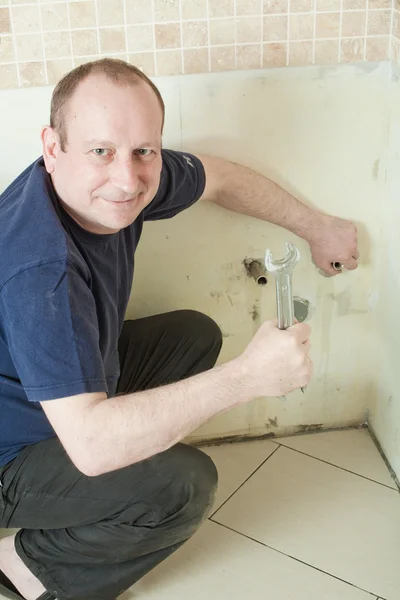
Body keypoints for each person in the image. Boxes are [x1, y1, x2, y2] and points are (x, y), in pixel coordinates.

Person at [0, 58, 358, 600]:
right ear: (54, 147)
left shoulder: (113, 186)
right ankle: (26, 566)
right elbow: (93, 447)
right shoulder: (41, 272)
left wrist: (319, 228)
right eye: (101, 151)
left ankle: (117, 463)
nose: (127, 179)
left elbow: (223, 179)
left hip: (47, 399)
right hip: (11, 455)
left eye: (144, 150)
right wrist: (247, 378)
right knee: (182, 486)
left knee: (193, 335)